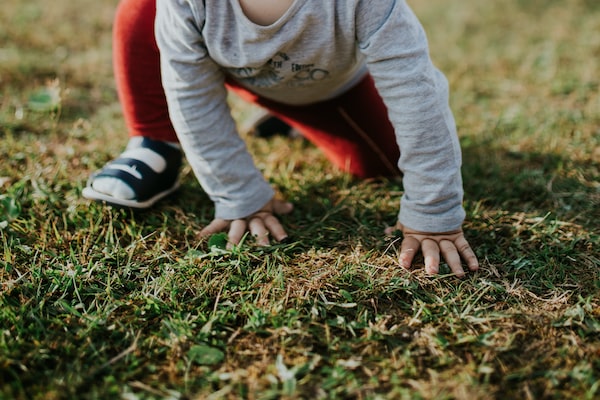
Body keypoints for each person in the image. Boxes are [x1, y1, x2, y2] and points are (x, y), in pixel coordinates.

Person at [84, 0, 479, 278]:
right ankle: (154, 145)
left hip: (326, 88)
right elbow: (191, 94)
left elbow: (416, 91)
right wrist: (238, 194)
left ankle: (292, 118)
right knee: (142, 7)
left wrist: (434, 214)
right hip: (227, 66)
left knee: (380, 162)